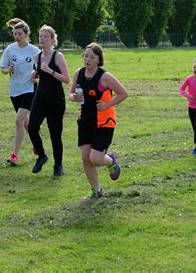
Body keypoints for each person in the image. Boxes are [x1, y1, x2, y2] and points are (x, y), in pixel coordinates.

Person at [69, 42, 128, 200]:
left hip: (104, 122)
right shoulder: (78, 73)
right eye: (85, 56)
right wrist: (73, 97)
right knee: (85, 158)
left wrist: (107, 104)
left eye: (91, 57)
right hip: (84, 121)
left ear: (98, 60)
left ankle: (110, 161)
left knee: (94, 158)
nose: (87, 59)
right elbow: (71, 93)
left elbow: (123, 93)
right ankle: (96, 191)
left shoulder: (105, 77)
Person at [28, 25, 70, 176]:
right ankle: (41, 155)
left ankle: (58, 165)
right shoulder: (37, 56)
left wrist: (50, 71)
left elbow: (66, 79)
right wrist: (35, 74)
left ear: (52, 39)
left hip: (56, 99)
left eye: (46, 36)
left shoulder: (58, 56)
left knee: (55, 133)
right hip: (40, 97)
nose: (42, 39)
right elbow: (38, 71)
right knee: (32, 126)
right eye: (40, 36)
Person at [0, 18, 41, 166]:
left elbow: (41, 67)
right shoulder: (10, 49)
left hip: (29, 89)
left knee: (18, 121)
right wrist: (8, 70)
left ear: (26, 35)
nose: (17, 36)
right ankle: (37, 145)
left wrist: (36, 74)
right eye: (15, 34)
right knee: (25, 123)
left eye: (20, 34)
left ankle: (14, 154)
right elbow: (3, 68)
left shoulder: (35, 51)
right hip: (14, 90)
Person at [179, 58, 196, 157]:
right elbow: (181, 89)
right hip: (191, 108)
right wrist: (188, 96)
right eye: (194, 67)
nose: (195, 69)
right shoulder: (189, 79)